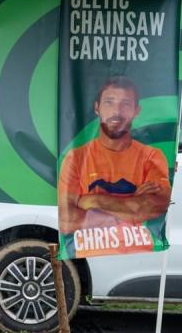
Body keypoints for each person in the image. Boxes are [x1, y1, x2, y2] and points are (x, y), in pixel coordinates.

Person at [58, 76, 171, 258]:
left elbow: (154, 207)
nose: (116, 111)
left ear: (136, 110)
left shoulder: (152, 157)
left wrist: (94, 201)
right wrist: (130, 209)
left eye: (125, 104)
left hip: (141, 254)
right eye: (109, 102)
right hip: (88, 254)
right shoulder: (76, 158)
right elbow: (66, 220)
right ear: (97, 108)